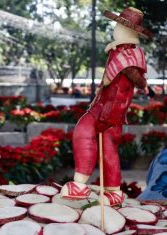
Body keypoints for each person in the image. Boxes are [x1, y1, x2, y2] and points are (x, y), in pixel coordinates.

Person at [60, 7, 151, 206]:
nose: (116, 29)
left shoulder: (129, 55)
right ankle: (113, 192)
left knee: (83, 132)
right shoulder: (122, 52)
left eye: (119, 25)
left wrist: (129, 70)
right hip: (108, 111)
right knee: (108, 149)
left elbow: (140, 81)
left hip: (108, 112)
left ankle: (80, 184)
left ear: (128, 30)